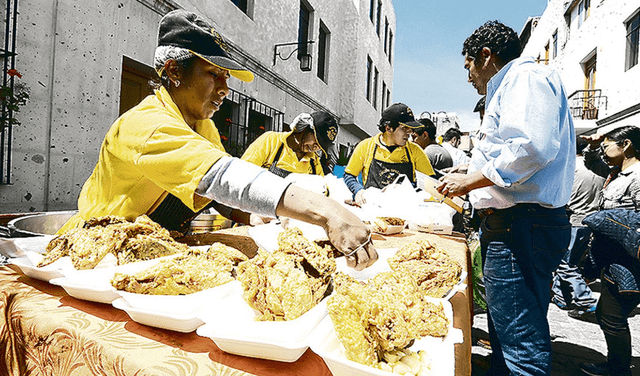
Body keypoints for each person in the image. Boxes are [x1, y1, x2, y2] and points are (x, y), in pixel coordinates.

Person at [58, 10, 377, 271]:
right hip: (98, 257)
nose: (226, 88)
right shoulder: (149, 126)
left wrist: (251, 216)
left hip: (154, 250)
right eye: (214, 73)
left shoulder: (200, 123)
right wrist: (329, 212)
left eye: (227, 76)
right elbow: (224, 177)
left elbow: (213, 192)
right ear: (173, 70)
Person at [437, 20, 575, 375]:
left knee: (521, 343)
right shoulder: (516, 85)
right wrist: (468, 174)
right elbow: (509, 150)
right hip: (520, 224)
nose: (469, 77)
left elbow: (530, 148)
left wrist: (470, 183)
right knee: (512, 330)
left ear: (485, 56)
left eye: (468, 66)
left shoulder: (524, 79)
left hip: (520, 225)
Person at [578, 125, 640, 376]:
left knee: (612, 315)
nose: (603, 151)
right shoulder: (617, 172)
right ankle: (617, 363)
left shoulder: (636, 177)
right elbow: (592, 163)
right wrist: (594, 146)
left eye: (607, 146)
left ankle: (618, 368)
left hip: (627, 257)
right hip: (611, 253)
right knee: (607, 312)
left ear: (626, 145)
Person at [550, 137, 603, 318]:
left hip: (573, 219)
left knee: (563, 263)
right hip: (590, 221)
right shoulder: (599, 168)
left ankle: (586, 300)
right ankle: (561, 297)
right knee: (571, 260)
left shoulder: (572, 166)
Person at [343, 103, 435, 206]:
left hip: (404, 209)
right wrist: (358, 191)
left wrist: (406, 187)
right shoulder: (365, 146)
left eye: (411, 129)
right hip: (372, 208)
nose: (409, 133)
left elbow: (431, 183)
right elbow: (349, 175)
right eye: (404, 128)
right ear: (388, 128)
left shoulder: (415, 151)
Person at [241, 111, 338, 177]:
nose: (316, 147)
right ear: (306, 128)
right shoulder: (272, 141)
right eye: (316, 140)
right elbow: (244, 172)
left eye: (320, 146)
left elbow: (320, 189)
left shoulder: (313, 162)